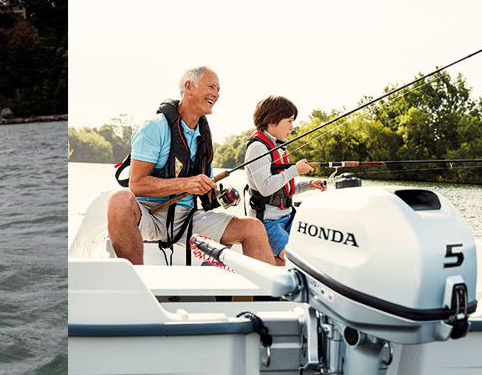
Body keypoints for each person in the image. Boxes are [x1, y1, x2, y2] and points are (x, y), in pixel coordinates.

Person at [106, 66, 273, 265]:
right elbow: (137, 185)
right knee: (118, 199)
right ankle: (136, 282)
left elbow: (205, 193)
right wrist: (186, 184)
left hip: (187, 218)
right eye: (211, 86)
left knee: (253, 228)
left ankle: (268, 296)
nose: (216, 94)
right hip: (148, 212)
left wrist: (218, 193)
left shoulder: (205, 137)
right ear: (189, 87)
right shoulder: (153, 127)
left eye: (219, 89)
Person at [243, 95, 327, 266]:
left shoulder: (277, 146)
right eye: (289, 121)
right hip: (268, 222)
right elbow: (266, 188)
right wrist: (295, 170)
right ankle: (258, 265)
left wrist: (308, 185)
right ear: (273, 121)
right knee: (294, 261)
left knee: (313, 251)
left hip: (287, 216)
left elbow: (282, 189)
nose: (292, 127)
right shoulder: (258, 148)